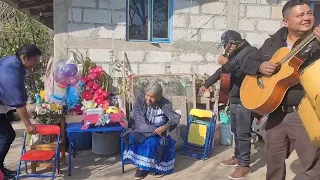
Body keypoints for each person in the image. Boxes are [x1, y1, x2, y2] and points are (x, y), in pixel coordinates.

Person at [241, 1, 320, 179]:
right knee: (274, 164)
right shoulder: (272, 43)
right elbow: (246, 62)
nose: (307, 18)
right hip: (274, 114)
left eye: (309, 13)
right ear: (286, 21)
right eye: (300, 15)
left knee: (314, 165)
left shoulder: (317, 41)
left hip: (303, 113)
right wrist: (260, 66)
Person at [200, 30, 260, 180]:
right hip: (234, 98)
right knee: (235, 130)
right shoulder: (233, 55)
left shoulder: (251, 53)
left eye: (226, 45)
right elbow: (222, 71)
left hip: (246, 98)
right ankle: (238, 157)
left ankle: (244, 165)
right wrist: (207, 84)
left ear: (233, 43)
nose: (225, 47)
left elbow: (246, 73)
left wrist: (228, 63)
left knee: (243, 133)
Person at [121, 82, 180, 180]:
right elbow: (139, 121)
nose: (148, 99)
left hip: (159, 132)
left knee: (154, 142)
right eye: (147, 95)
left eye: (152, 97)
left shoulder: (164, 103)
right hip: (141, 129)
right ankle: (141, 166)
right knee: (134, 138)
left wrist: (164, 127)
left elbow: (175, 118)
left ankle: (155, 167)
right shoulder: (139, 101)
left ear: (159, 97)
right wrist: (154, 130)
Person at [0, 44, 40, 179]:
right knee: (7, 136)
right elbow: (19, 104)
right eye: (34, 61)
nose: (34, 66)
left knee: (5, 135)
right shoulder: (11, 73)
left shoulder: (12, 61)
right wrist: (28, 125)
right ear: (24, 57)